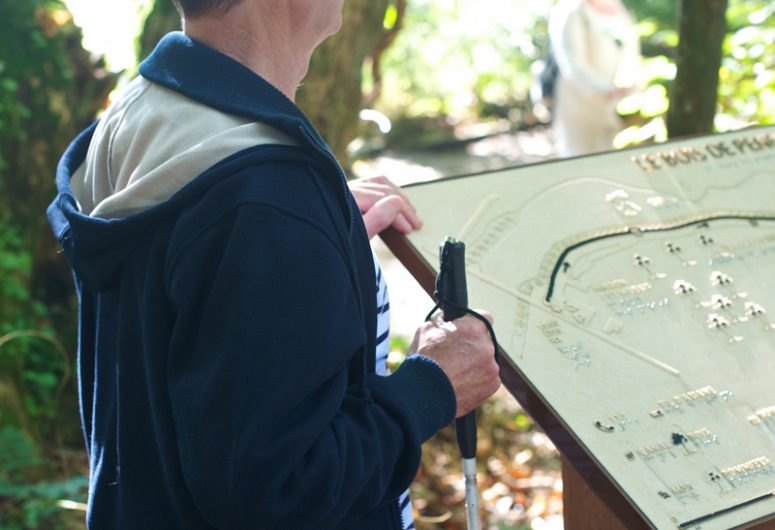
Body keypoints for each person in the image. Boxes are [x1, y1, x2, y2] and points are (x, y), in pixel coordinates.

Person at [46, 0, 501, 529]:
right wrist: (432, 387)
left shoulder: (143, 110)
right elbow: (278, 491)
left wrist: (311, 232)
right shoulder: (261, 201)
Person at [548, 0, 641, 156]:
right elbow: (573, 64)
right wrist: (606, 89)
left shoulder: (620, 8)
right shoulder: (570, 10)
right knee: (582, 159)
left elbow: (632, 53)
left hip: (616, 102)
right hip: (580, 104)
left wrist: (626, 84)